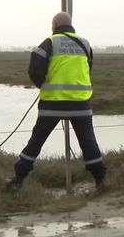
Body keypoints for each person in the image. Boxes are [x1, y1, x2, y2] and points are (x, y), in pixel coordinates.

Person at [7, 12, 106, 191]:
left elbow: (34, 69)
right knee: (89, 143)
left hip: (52, 105)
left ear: (54, 24)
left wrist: (43, 84)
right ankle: (101, 179)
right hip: (80, 104)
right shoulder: (85, 44)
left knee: (36, 142)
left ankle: (18, 179)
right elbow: (88, 68)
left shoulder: (49, 43)